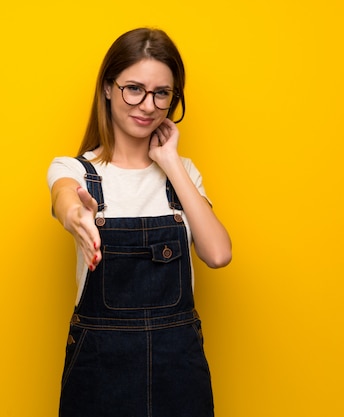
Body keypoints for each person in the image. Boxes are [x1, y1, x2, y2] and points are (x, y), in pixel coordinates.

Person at [47, 27, 232, 417]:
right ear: (109, 88)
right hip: (100, 369)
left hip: (178, 372)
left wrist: (170, 164)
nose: (148, 105)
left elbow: (217, 254)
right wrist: (75, 215)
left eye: (162, 93)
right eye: (134, 88)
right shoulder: (76, 171)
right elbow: (63, 197)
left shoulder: (184, 175)